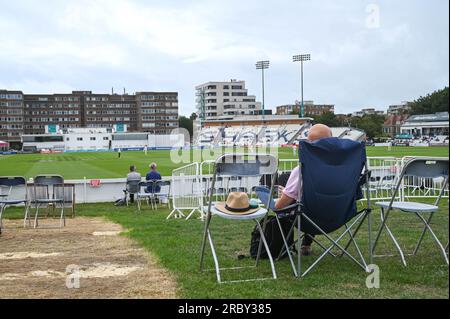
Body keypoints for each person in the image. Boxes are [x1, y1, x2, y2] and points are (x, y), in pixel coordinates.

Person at [275, 124, 333, 256]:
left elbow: (280, 206)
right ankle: (306, 243)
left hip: (308, 218)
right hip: (340, 215)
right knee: (313, 200)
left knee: (288, 202)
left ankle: (286, 246)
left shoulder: (302, 169)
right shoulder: (348, 169)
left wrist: (285, 196)